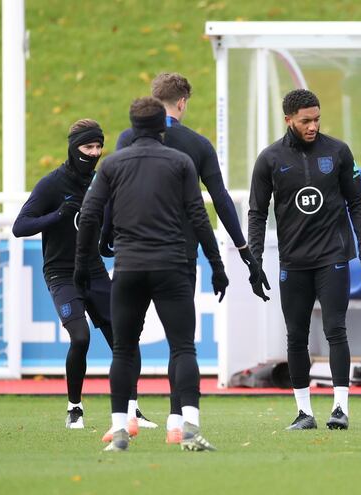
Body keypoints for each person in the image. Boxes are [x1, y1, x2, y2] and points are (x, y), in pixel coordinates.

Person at [111, 72, 260, 444]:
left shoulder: (126, 140)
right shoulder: (196, 144)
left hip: (131, 254)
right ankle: (177, 422)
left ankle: (125, 417)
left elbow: (112, 195)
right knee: (182, 343)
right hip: (179, 256)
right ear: (182, 102)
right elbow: (219, 200)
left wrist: (103, 241)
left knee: (126, 343)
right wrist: (243, 253)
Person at [76, 97, 229, 452]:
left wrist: (83, 265)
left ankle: (119, 431)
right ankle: (189, 426)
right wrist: (217, 265)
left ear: (131, 127)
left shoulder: (113, 164)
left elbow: (89, 215)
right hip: (172, 266)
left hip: (129, 267)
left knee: (123, 350)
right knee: (183, 347)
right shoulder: (180, 162)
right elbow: (198, 216)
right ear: (162, 126)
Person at [248, 89, 361, 431]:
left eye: (317, 119)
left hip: (332, 256)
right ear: (288, 119)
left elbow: (357, 202)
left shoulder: (338, 152)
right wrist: (254, 260)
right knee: (295, 336)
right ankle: (304, 413)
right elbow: (257, 213)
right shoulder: (270, 159)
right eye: (305, 121)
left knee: (336, 329)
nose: (313, 126)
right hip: (293, 261)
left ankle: (340, 409)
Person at [12, 119, 147, 432]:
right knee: (81, 338)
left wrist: (108, 241)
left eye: (99, 146)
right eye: (89, 147)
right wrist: (58, 215)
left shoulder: (102, 181)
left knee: (124, 339)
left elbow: (110, 220)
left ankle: (132, 409)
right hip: (61, 274)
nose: (95, 152)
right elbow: (20, 226)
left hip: (95, 271)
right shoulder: (51, 184)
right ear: (74, 148)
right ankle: (75, 407)